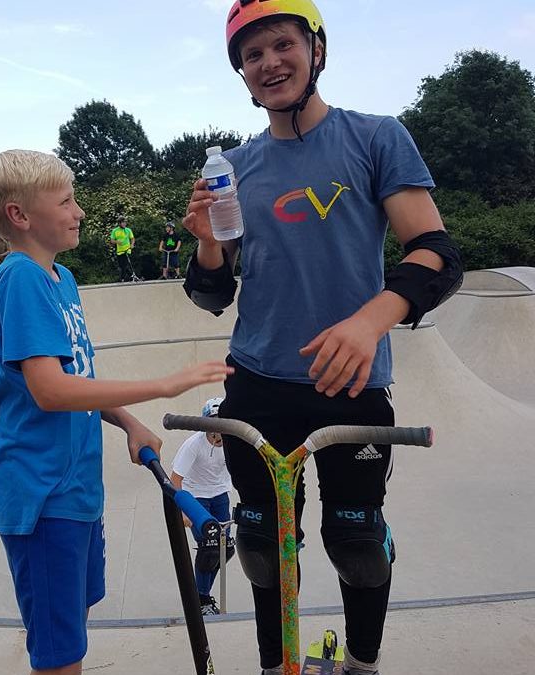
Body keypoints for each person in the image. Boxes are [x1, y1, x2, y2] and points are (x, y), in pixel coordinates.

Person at [181, 2, 463, 674]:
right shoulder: (238, 168)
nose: (269, 62)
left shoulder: (374, 137)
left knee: (357, 542)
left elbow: (437, 253)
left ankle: (361, 665)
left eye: (282, 44)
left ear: (316, 51)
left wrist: (371, 321)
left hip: (351, 384)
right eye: (252, 55)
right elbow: (210, 295)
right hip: (258, 382)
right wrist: (207, 245)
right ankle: (278, 665)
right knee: (261, 545)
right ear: (242, 76)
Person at [0, 149, 233, 675]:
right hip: (42, 495)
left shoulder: (61, 280)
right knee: (60, 649)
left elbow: (77, 378)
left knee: (74, 614)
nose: (80, 212)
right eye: (66, 201)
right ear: (20, 216)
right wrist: (161, 386)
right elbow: (48, 390)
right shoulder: (19, 279)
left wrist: (128, 421)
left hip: (78, 489)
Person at [170, 397, 234, 615]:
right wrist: (182, 510)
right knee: (209, 549)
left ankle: (201, 595)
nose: (218, 435)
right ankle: (201, 601)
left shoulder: (233, 442)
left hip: (220, 495)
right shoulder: (193, 445)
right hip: (195, 498)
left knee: (226, 549)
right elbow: (175, 480)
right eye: (213, 428)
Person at [109, 216, 135, 282]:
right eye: (123, 223)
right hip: (119, 251)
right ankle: (132, 275)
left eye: (125, 222)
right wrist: (117, 242)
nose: (124, 224)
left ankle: (122, 279)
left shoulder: (128, 230)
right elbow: (112, 240)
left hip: (127, 250)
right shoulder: (115, 231)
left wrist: (132, 244)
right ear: (119, 223)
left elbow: (132, 238)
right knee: (121, 266)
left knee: (125, 264)